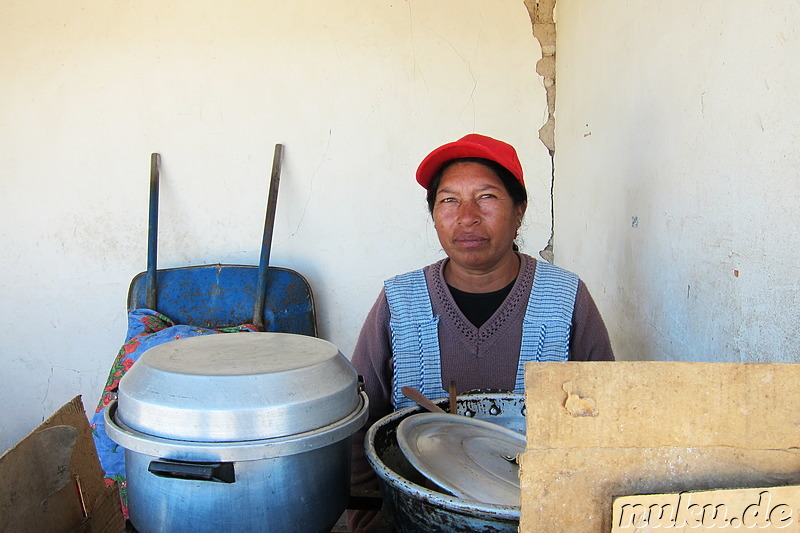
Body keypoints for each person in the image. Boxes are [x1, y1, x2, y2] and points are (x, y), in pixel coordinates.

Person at [347, 133, 614, 532]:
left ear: (519, 210)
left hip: (536, 518)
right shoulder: (401, 301)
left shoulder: (563, 297)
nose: (467, 217)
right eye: (449, 200)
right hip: (418, 516)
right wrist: (372, 516)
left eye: (487, 197)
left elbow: (607, 421)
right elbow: (358, 421)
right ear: (434, 214)